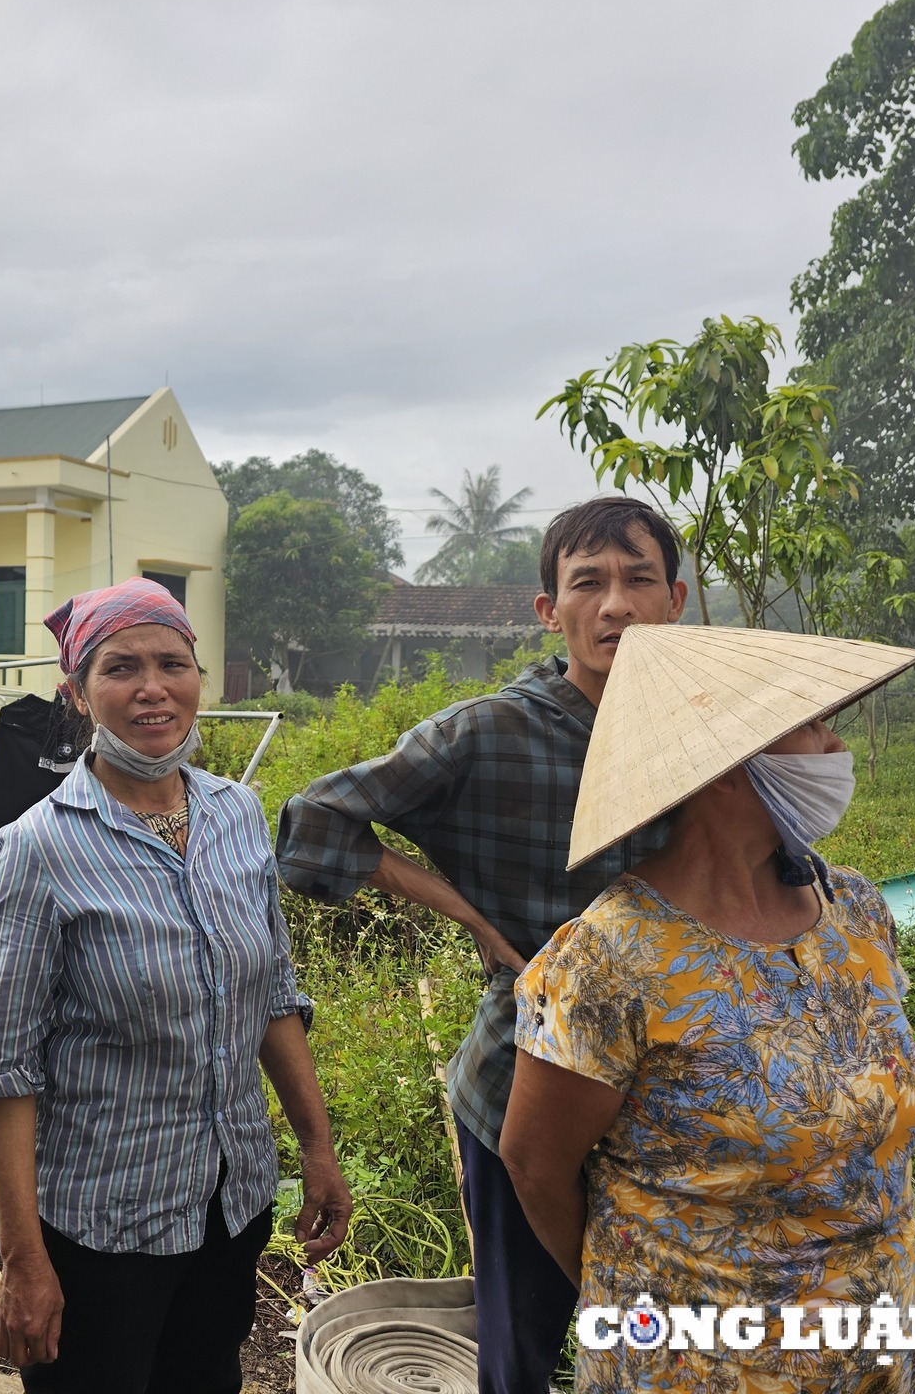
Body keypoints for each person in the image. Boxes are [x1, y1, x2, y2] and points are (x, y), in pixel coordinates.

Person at [275, 496, 688, 1394]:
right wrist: (461, 911)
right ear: (550, 609)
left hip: (675, 1096)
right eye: (589, 583)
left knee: (664, 1339)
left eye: (638, 579)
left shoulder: (703, 736)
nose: (615, 603)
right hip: (524, 1088)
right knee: (521, 1346)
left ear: (676, 601)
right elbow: (312, 825)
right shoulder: (492, 732)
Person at [500, 623, 915, 1393]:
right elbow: (535, 1165)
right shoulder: (612, 959)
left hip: (875, 1348)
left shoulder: (856, 909)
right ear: (728, 768)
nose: (837, 747)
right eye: (811, 724)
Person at [0, 578, 353, 1394]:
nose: (152, 687)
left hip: (229, 1201)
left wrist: (317, 1151)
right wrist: (23, 1260)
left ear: (199, 679)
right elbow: (5, 1072)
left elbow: (273, 998)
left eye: (172, 663)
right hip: (101, 1228)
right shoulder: (37, 849)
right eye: (121, 668)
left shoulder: (237, 815)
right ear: (78, 692)